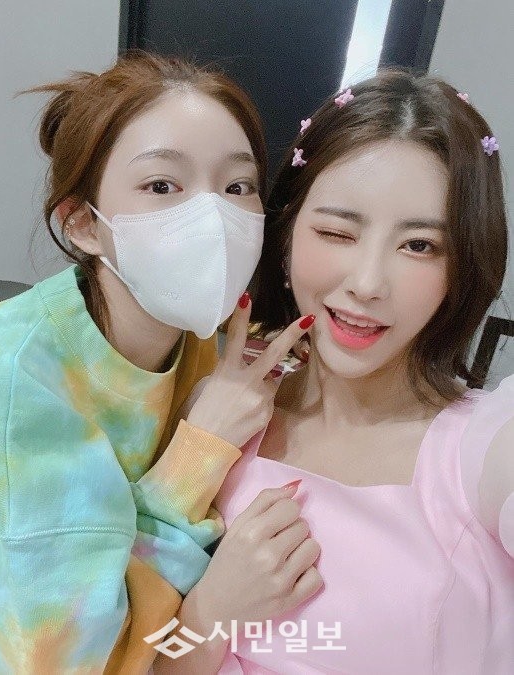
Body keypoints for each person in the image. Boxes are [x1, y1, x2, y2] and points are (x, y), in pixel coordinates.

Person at [0, 51, 318, 674]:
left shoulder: (206, 343)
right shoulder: (7, 385)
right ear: (83, 224)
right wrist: (212, 611)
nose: (213, 219)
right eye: (162, 186)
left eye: (237, 187)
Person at [166, 71, 513, 674]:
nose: (368, 283)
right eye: (336, 232)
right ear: (286, 234)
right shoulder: (216, 417)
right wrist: (208, 615)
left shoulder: (483, 451)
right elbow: (138, 653)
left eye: (419, 246)